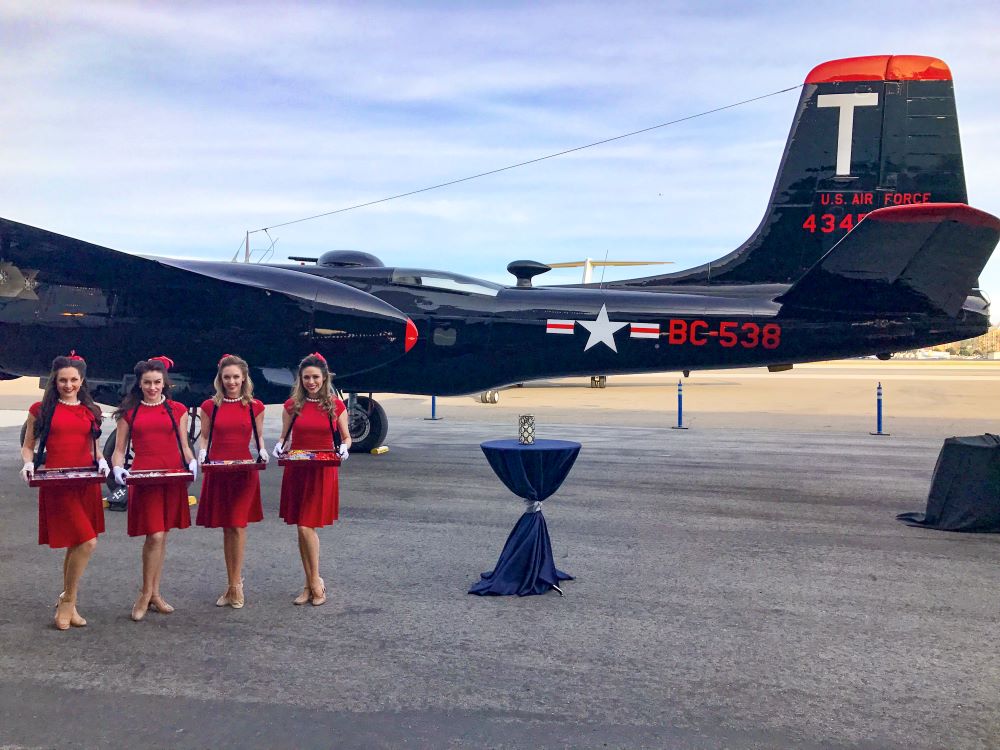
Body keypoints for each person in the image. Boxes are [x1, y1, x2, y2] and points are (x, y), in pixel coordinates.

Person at [20, 352, 110, 630]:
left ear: (81, 380)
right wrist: (27, 464)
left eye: (73, 380)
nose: (68, 385)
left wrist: (103, 461)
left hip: (85, 482)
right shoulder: (40, 409)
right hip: (57, 482)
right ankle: (68, 600)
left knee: (77, 542)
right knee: (87, 541)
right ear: (54, 381)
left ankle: (67, 603)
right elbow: (29, 446)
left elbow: (93, 445)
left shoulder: (90, 411)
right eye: (62, 380)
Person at [110, 356, 198, 622]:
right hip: (144, 476)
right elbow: (119, 450)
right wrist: (117, 469)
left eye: (157, 382)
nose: (152, 387)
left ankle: (155, 594)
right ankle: (145, 594)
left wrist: (192, 461)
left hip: (171, 475)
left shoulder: (178, 410)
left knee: (163, 535)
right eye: (147, 383)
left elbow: (184, 445)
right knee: (155, 535)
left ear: (165, 382)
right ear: (139, 383)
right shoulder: (130, 412)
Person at [273, 352, 351, 606]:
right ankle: (309, 584)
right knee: (301, 527)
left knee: (307, 526)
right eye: (306, 377)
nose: (311, 382)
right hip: (297, 468)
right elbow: (284, 437)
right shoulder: (291, 405)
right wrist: (278, 447)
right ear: (300, 379)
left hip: (322, 469)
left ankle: (316, 581)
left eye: (315, 377)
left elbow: (346, 437)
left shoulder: (335, 405)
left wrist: (345, 448)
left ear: (325, 377)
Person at [196, 354, 268, 609]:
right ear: (220, 379)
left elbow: (258, 437)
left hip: (243, 470)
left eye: (236, 377)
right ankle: (231, 582)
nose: (231, 381)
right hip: (218, 468)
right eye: (227, 377)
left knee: (237, 525)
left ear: (244, 378)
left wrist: (262, 450)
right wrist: (202, 452)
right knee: (227, 526)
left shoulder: (254, 406)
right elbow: (204, 437)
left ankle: (236, 587)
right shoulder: (210, 406)